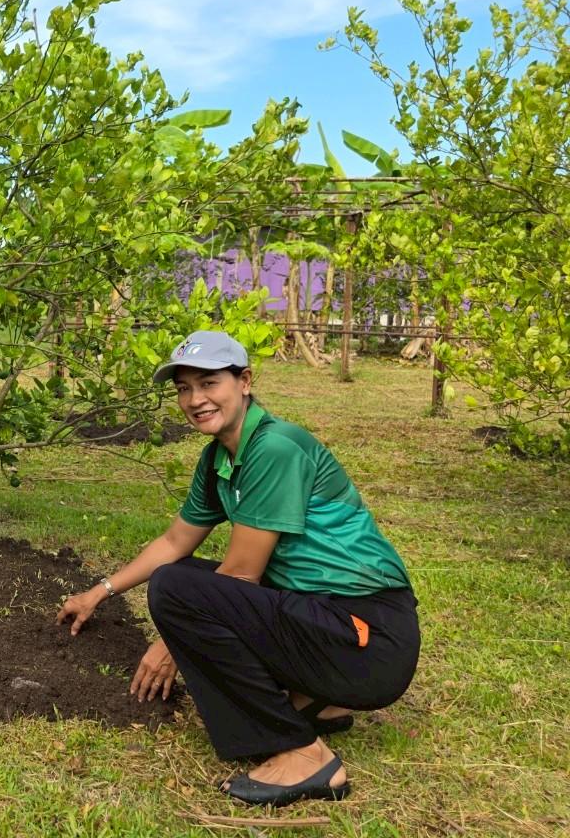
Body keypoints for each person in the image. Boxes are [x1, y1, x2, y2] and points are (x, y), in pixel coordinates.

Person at [56, 330, 419, 807]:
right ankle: (317, 702)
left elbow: (242, 575)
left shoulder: (275, 448)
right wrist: (98, 592)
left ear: (244, 381)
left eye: (209, 383)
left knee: (178, 590)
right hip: (331, 621)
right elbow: (174, 542)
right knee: (183, 578)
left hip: (369, 637)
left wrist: (171, 644)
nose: (195, 399)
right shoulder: (219, 459)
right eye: (184, 388)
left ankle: (304, 755)